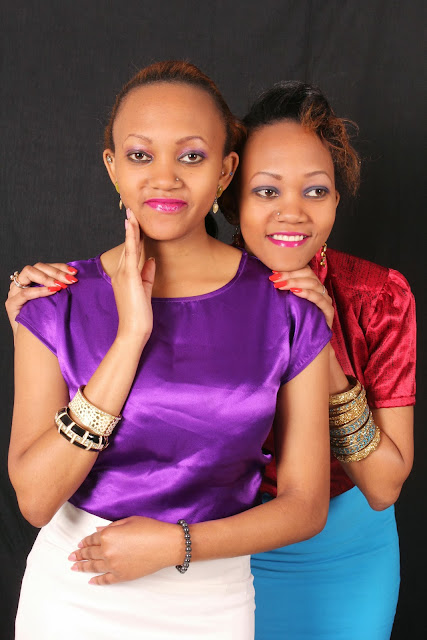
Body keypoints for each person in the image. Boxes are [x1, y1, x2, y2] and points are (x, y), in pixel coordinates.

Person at [7, 63, 332, 640]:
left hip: (211, 602)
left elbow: (306, 506)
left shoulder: (287, 309)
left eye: (191, 156)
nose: (164, 178)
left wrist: (176, 545)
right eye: (140, 155)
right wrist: (130, 337)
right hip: (76, 589)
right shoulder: (53, 301)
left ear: (225, 169)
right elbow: (35, 499)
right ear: (112, 167)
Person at [220, 81, 415, 639]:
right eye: (267, 190)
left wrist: (320, 342)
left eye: (315, 190)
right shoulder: (196, 294)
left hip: (348, 557)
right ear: (231, 198)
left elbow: (383, 486)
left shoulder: (378, 297)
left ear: (335, 200)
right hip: (221, 551)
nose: (292, 213)